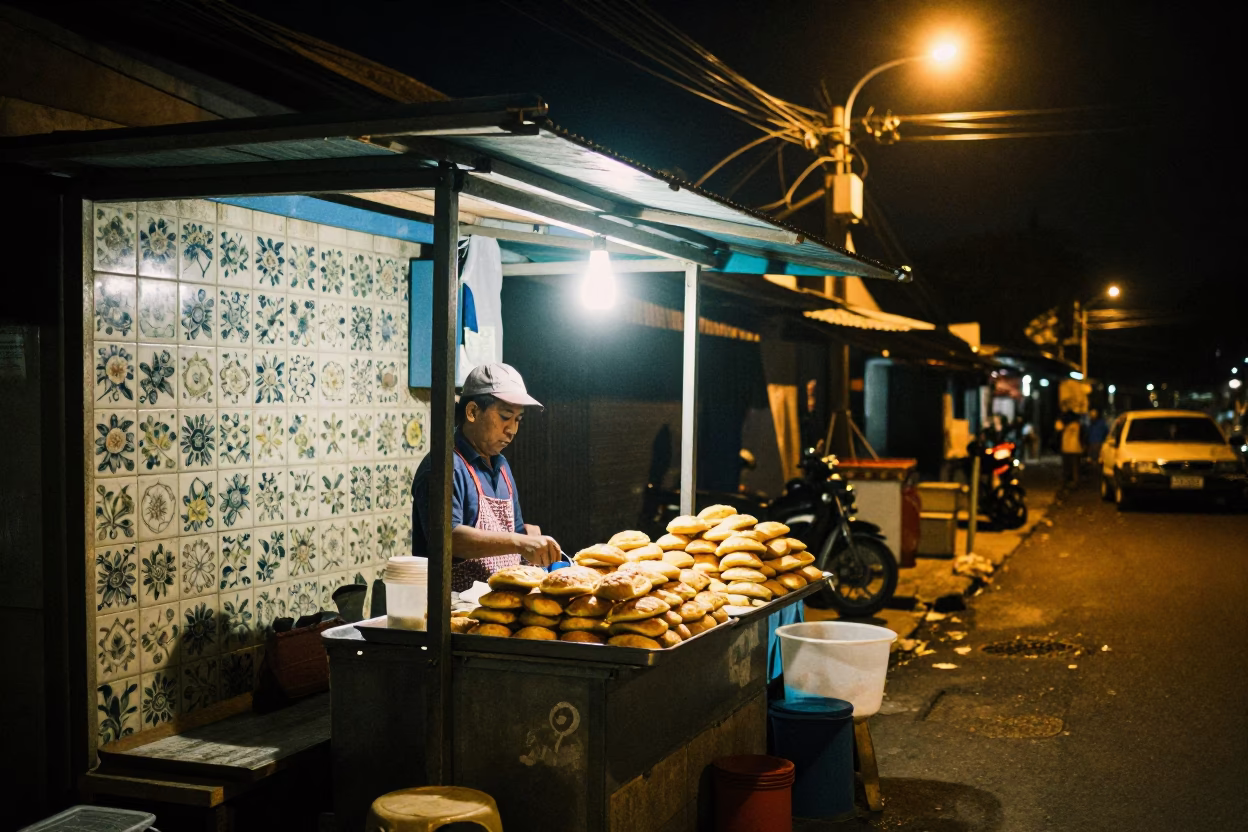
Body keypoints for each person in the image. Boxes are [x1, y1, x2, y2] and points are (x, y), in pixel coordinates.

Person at [412, 363, 561, 591]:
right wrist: (519, 542)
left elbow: (516, 532)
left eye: (518, 420)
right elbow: (447, 539)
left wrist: (527, 536)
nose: (512, 430)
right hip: (451, 610)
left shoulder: (501, 466)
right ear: (472, 412)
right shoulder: (443, 467)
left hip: (497, 606)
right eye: (505, 417)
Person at [1055, 409, 1085, 488]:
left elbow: (1057, 428)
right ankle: (1075, 482)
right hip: (1076, 448)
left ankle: (1066, 481)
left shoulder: (1064, 425)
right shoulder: (1078, 425)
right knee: (1076, 467)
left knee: (1066, 467)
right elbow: (1082, 437)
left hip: (1066, 448)